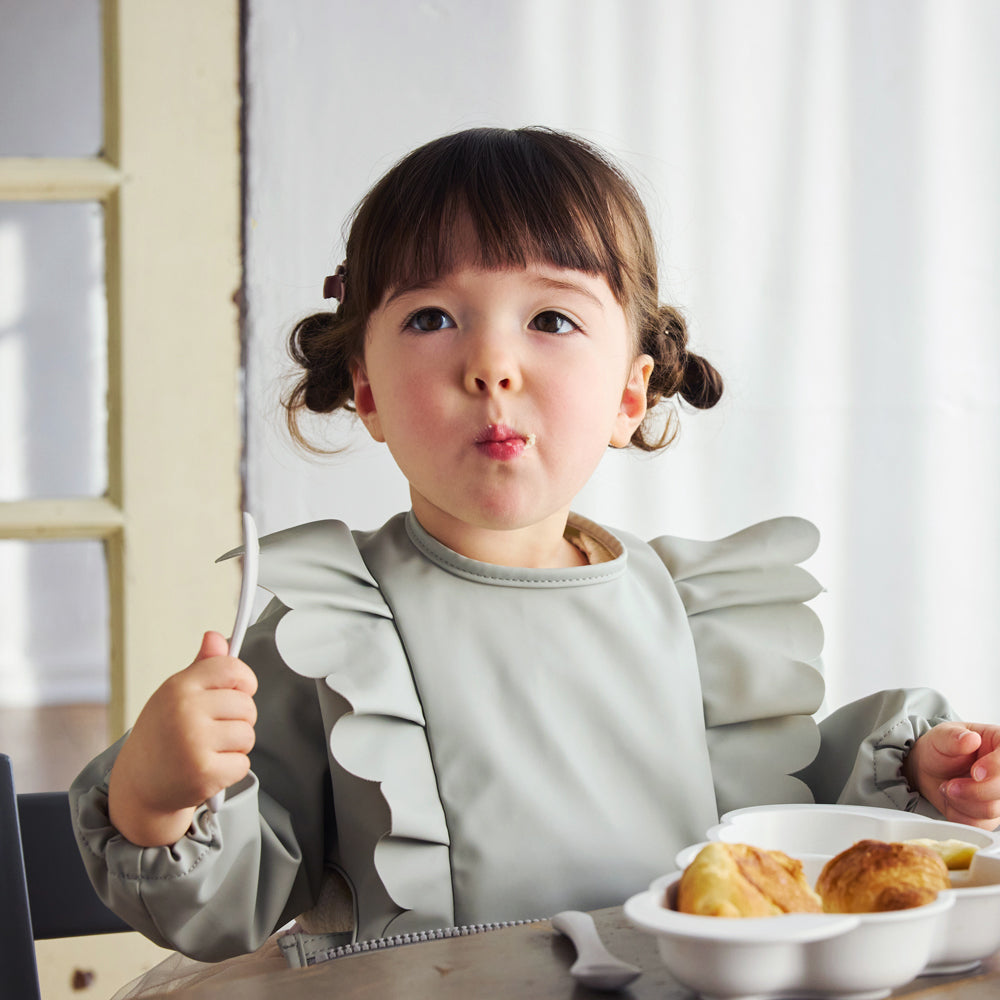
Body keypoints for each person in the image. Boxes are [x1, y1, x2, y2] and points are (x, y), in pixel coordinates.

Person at [71, 127, 1000, 964]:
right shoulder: (332, 621)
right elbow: (234, 902)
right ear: (366, 389)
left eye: (550, 319)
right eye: (432, 318)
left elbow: (787, 811)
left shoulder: (695, 612)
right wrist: (159, 800)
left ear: (630, 394)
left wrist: (921, 775)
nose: (492, 365)